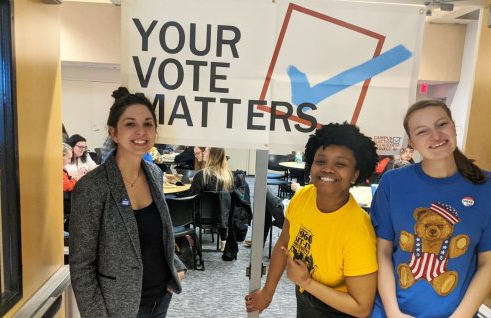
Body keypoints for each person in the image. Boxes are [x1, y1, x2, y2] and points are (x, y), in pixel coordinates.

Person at [69, 87, 186, 318]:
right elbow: (82, 267)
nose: (141, 132)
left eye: (148, 124)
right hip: (118, 307)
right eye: (130, 124)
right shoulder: (93, 186)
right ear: (114, 133)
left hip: (160, 298)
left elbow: (154, 233)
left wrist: (176, 267)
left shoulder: (154, 173)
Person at [370, 99, 490, 318]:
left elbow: (488, 263)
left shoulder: (486, 187)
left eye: (441, 124)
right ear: (412, 143)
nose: (435, 136)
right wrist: (394, 313)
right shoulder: (393, 183)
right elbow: (383, 252)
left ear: (454, 126)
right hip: (390, 310)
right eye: (422, 131)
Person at [246, 123, 379, 317]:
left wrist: (306, 282)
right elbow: (284, 243)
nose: (328, 169)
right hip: (306, 299)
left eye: (340, 164)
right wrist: (268, 292)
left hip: (338, 311)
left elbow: (361, 307)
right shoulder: (304, 196)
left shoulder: (358, 231)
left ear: (355, 174)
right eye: (321, 161)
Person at [188, 147, 233, 252]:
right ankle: (223, 240)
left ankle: (184, 239)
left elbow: (190, 198)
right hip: (223, 217)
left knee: (177, 206)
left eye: (206, 151)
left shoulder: (202, 175)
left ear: (212, 155)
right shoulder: (228, 176)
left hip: (201, 217)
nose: (203, 153)